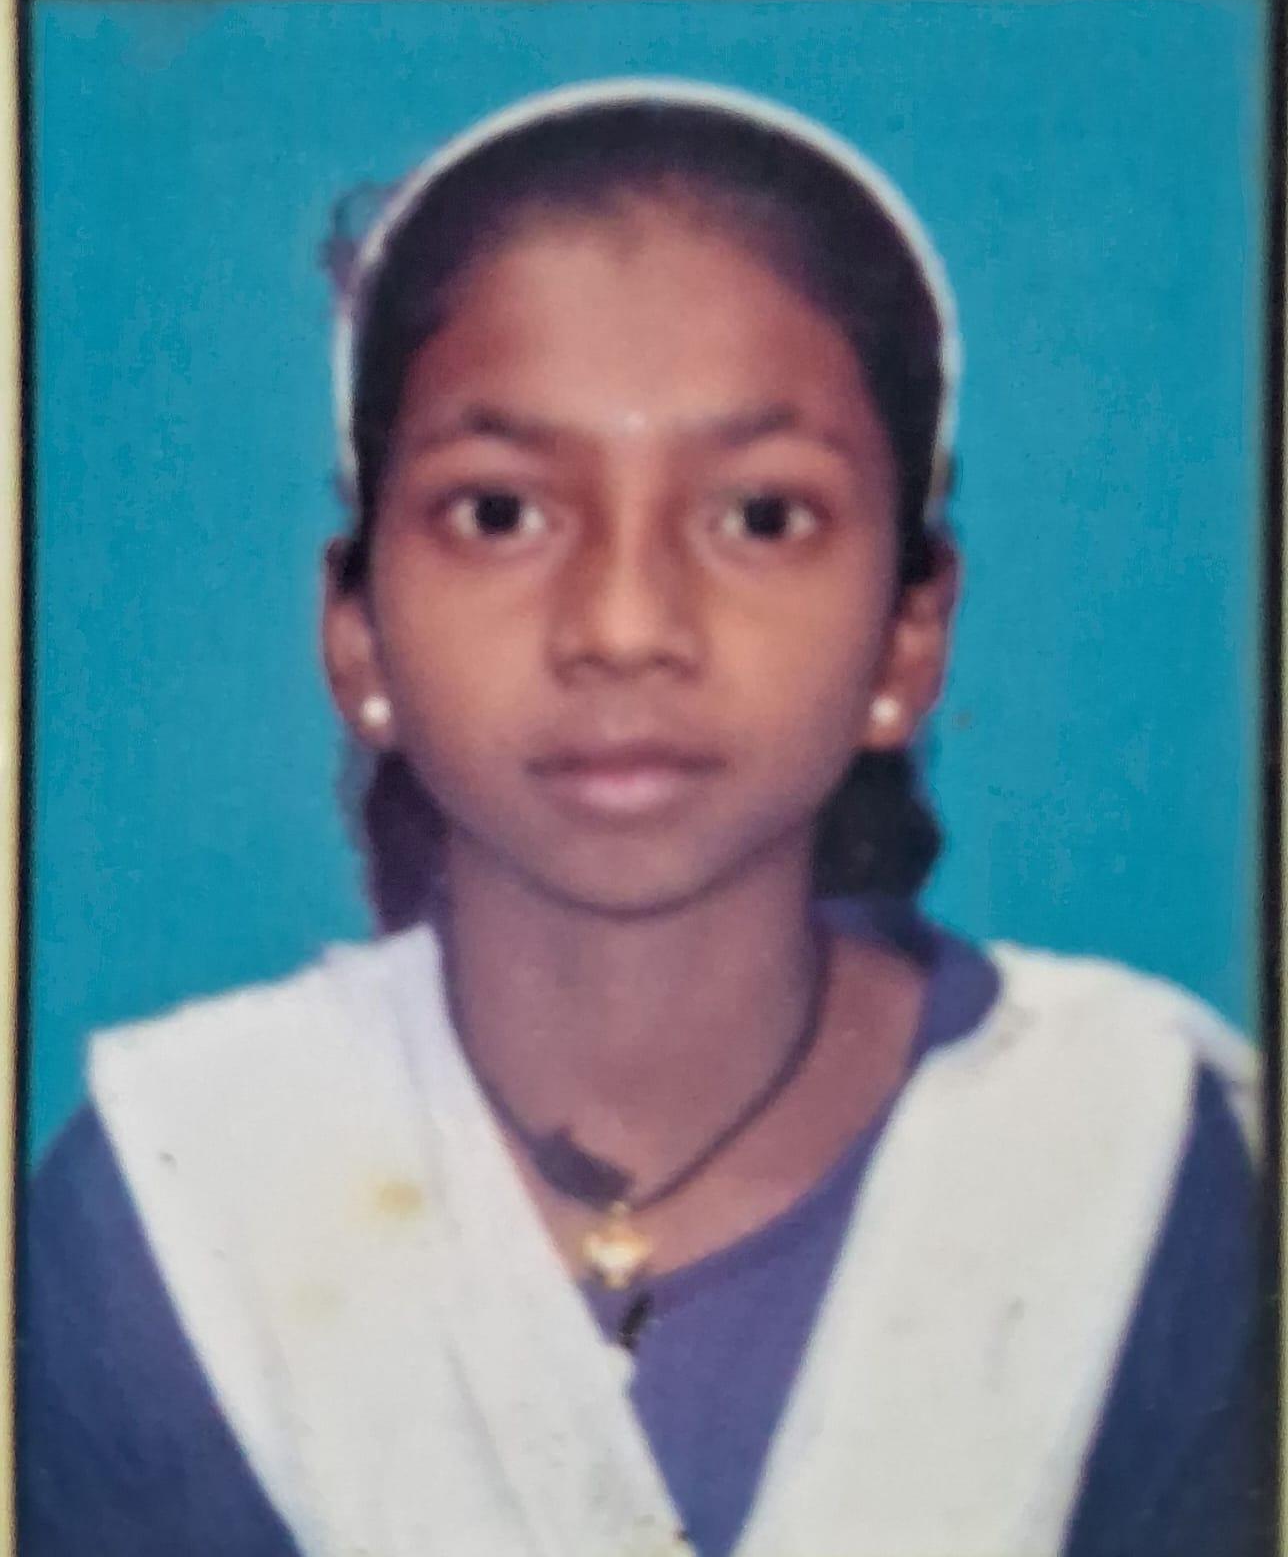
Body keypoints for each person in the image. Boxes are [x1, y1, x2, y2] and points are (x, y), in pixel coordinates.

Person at [19, 79, 1268, 1557]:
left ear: (909, 636)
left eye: (760, 517)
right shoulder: (181, 1192)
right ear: (355, 634)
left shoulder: (1133, 1152)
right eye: (500, 513)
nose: (623, 626)